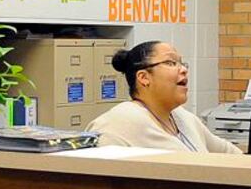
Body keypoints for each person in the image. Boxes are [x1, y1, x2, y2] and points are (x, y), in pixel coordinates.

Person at [88, 40, 241, 154]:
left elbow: (231, 154)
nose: (183, 69)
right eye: (170, 62)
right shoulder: (117, 124)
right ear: (143, 77)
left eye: (182, 63)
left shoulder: (183, 117)